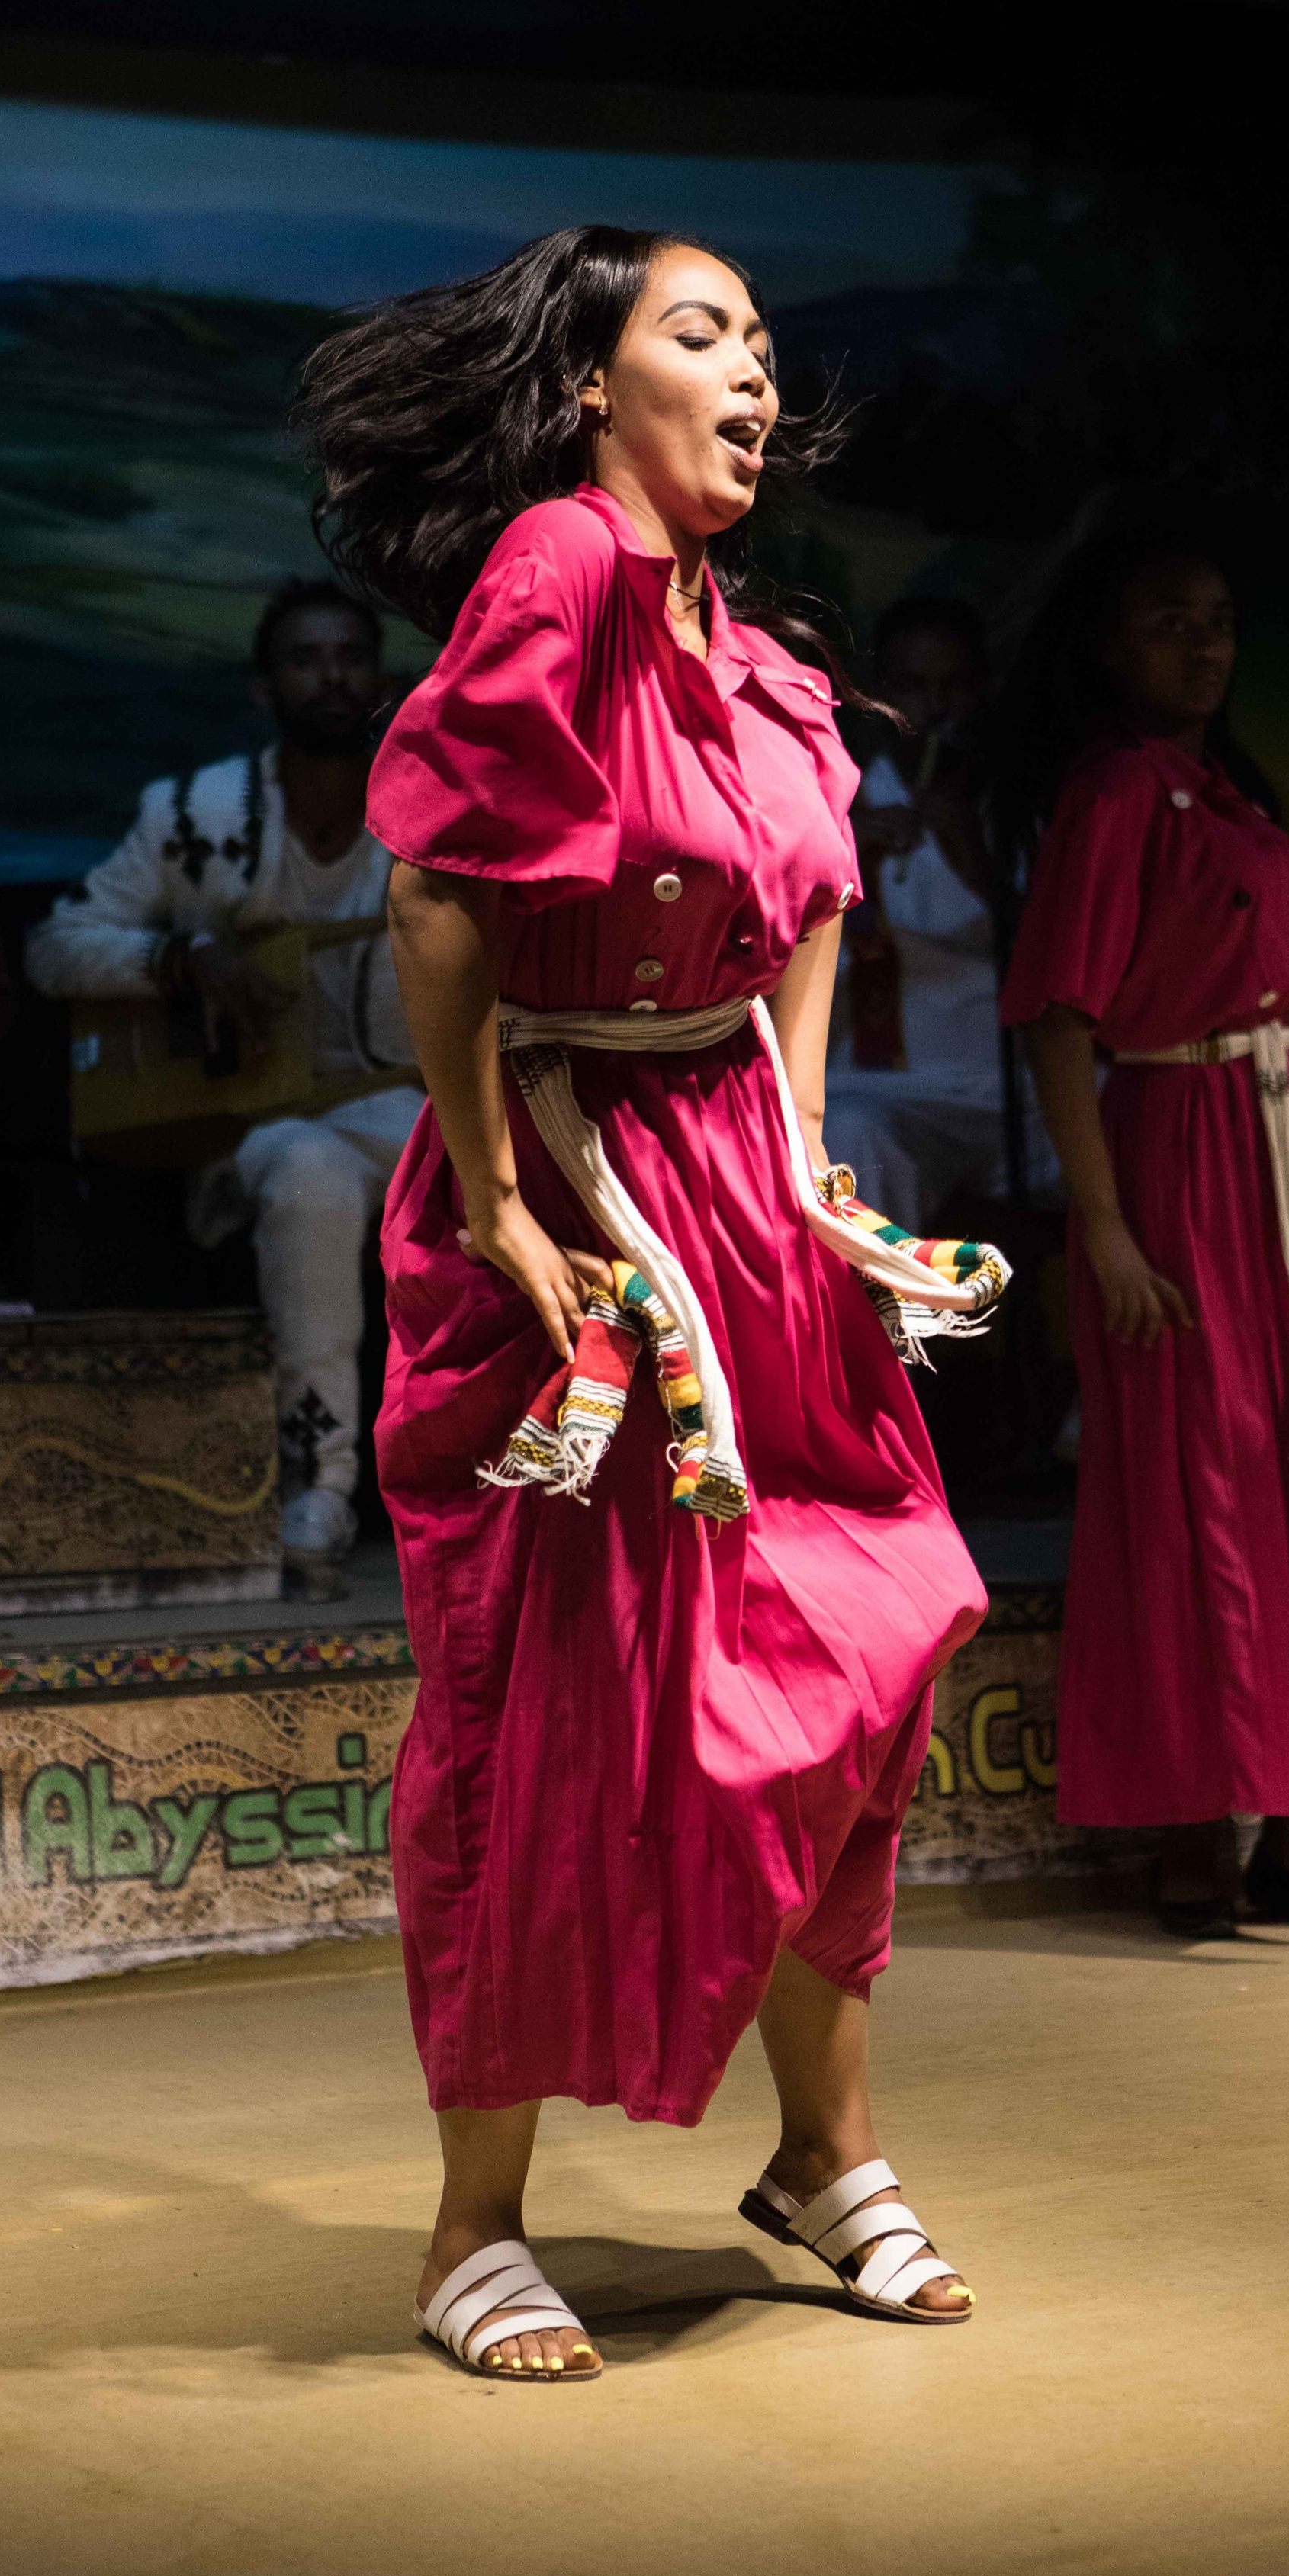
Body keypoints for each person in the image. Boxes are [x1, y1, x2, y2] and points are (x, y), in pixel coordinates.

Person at [297, 225, 1005, 2381]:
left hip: (741, 1208)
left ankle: (821, 2155)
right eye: (702, 336)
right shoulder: (566, 567)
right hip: (570, 1212)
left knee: (855, 1665)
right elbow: (436, 889)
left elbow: (814, 894)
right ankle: (473, 2227)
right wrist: (501, 1206)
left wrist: (800, 1151)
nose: (755, 375)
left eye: (765, 345)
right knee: (551, 1707)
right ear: (593, 386)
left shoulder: (746, 643)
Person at [996, 532, 1289, 1937]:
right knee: (1203, 1477)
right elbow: (1060, 1025)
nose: (1201, 646)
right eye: (1167, 621)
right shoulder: (1115, 794)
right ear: (1108, 646)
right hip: (1185, 1159)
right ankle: (1197, 1830)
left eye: (1216, 622)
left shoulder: (1232, 798)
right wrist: (1106, 1235)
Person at [24, 582, 422, 1582]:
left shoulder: (433, 806)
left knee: (499, 1176)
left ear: (381, 679)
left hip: (420, 1111)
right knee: (309, 1175)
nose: (330, 677)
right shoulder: (195, 814)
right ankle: (319, 1489)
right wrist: (177, 959)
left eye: (349, 657)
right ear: (263, 687)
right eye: (304, 659)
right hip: (263, 1123)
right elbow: (55, 947)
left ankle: (494, 1495)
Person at [826, 595, 1049, 1229]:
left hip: (1010, 1093)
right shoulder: (836, 810)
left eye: (955, 686)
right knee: (853, 1137)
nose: (936, 708)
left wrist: (972, 855)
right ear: (878, 697)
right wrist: (842, 850)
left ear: (981, 692)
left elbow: (1054, 956)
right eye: (913, 687)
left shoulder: (1016, 817)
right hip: (886, 1094)